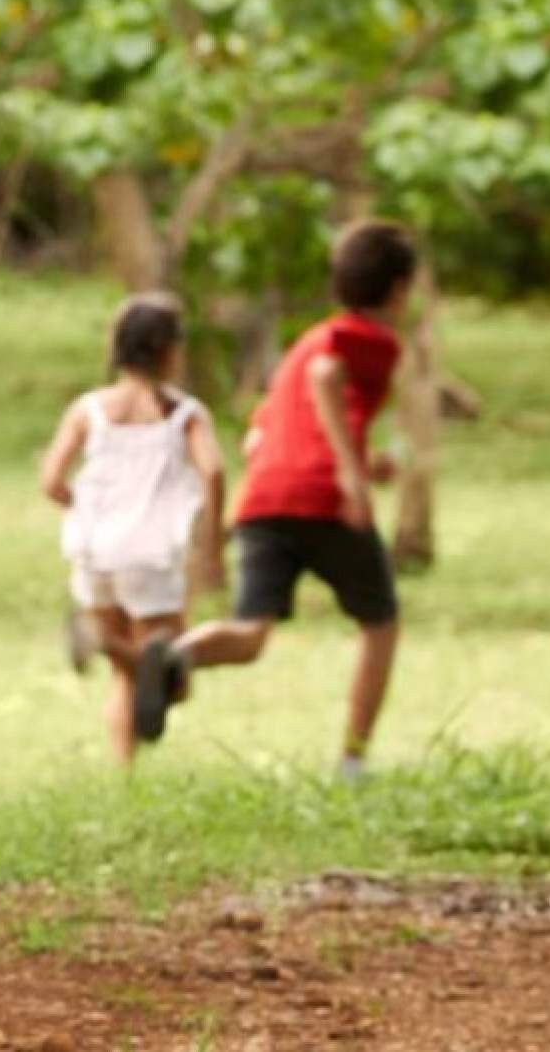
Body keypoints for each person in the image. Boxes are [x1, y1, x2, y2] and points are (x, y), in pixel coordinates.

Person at [146, 220, 417, 782]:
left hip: (266, 497)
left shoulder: (304, 344)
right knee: (381, 624)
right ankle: (351, 759)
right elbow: (327, 379)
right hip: (324, 499)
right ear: (399, 290)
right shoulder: (368, 340)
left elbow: (260, 436)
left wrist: (360, 461)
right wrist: (352, 476)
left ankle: (177, 656)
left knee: (250, 635)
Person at [39, 293, 225, 763]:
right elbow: (215, 471)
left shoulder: (89, 409)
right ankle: (101, 643)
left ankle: (125, 772)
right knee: (173, 678)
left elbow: (51, 480)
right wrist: (212, 543)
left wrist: (80, 508)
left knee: (131, 674)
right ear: (169, 351)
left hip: (94, 549)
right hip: (152, 554)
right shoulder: (185, 415)